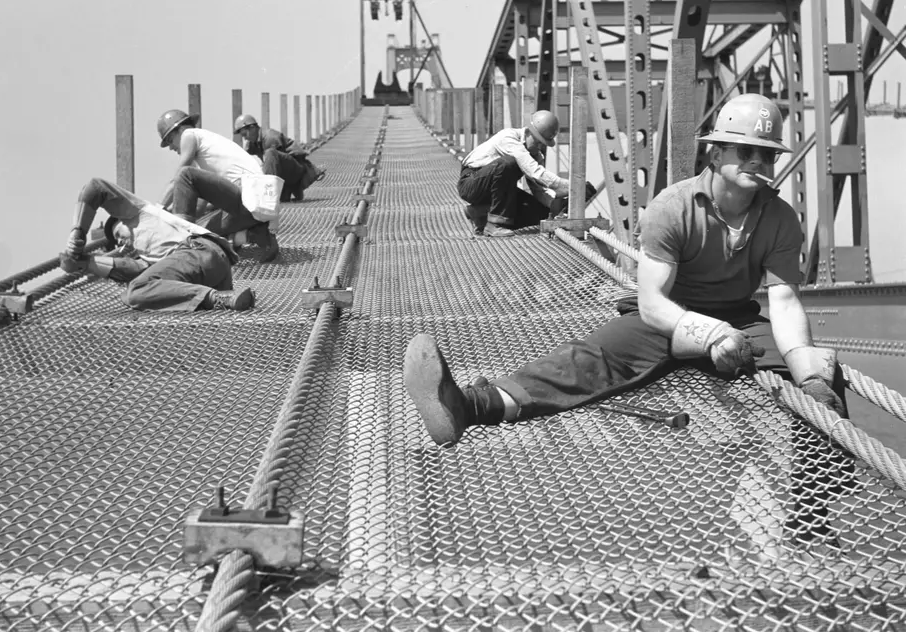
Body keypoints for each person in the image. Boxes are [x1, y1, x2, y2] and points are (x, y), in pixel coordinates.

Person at [405, 93, 851, 542]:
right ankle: (467, 406)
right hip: (665, 313)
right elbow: (654, 301)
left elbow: (786, 302)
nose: (758, 160)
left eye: (767, 153)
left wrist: (806, 372)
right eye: (746, 150)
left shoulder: (779, 218)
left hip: (738, 317)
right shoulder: (671, 207)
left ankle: (814, 515)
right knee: (590, 360)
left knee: (820, 376)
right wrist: (707, 334)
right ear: (716, 152)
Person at [60, 177, 255, 312]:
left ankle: (216, 298)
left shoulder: (139, 213)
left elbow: (96, 187)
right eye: (116, 240)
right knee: (144, 288)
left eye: (118, 232)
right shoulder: (149, 256)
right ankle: (226, 297)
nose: (119, 241)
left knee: (135, 292)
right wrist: (83, 263)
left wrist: (77, 232)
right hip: (214, 267)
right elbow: (130, 270)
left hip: (196, 250)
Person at [156, 109, 279, 261]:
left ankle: (180, 244)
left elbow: (179, 177)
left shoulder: (189, 135)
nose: (170, 147)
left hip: (248, 197)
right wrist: (171, 214)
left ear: (180, 129)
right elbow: (199, 207)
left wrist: (158, 211)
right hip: (256, 208)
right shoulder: (207, 158)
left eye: (169, 140)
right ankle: (256, 235)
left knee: (184, 174)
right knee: (201, 234)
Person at [458, 110, 574, 237]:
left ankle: (480, 213)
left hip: (498, 190)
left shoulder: (535, 156)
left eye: (543, 144)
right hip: (471, 184)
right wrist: (573, 187)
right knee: (508, 163)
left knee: (541, 212)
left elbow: (539, 190)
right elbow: (534, 171)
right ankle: (494, 225)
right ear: (528, 132)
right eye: (538, 141)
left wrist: (556, 205)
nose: (540, 147)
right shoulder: (509, 137)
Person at [234, 114, 326, 202]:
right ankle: (281, 192)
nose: (245, 139)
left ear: (252, 128)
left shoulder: (270, 137)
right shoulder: (253, 143)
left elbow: (276, 164)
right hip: (286, 173)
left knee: (271, 153)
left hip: (296, 171)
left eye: (245, 135)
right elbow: (243, 157)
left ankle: (269, 194)